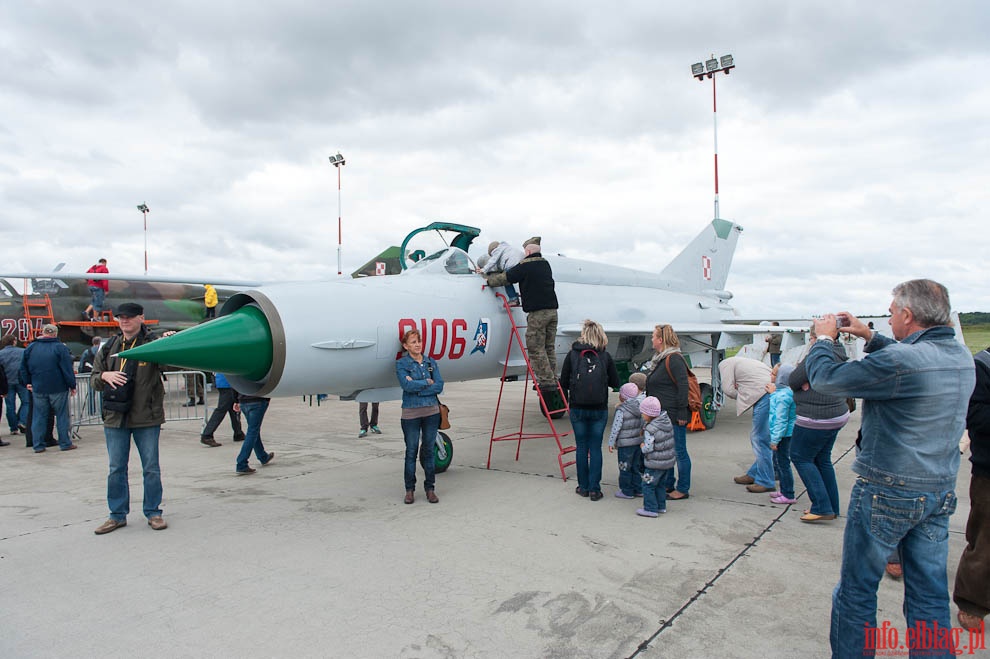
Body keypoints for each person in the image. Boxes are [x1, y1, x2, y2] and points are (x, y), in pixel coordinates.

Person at [802, 279, 975, 657]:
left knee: (856, 591)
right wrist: (869, 335)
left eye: (893, 311)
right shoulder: (961, 356)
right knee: (929, 596)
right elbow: (912, 360)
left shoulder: (900, 362)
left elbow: (826, 380)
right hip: (938, 491)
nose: (890, 316)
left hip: (887, 489)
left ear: (908, 315)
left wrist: (825, 340)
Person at [90, 302, 174, 534]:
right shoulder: (109, 347)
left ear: (141, 317)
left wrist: (171, 343)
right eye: (120, 317)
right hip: (116, 417)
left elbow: (172, 364)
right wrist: (105, 375)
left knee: (151, 468)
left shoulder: (153, 344)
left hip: (146, 417)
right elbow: (94, 379)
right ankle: (116, 515)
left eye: (129, 317)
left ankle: (153, 512)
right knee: (116, 468)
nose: (124, 321)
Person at [788, 326, 850, 522]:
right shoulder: (839, 351)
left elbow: (794, 379)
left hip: (815, 417)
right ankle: (831, 506)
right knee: (822, 459)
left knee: (800, 457)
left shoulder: (819, 353)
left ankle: (822, 506)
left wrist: (804, 380)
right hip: (836, 414)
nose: (811, 341)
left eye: (812, 337)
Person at [484, 237, 558, 392]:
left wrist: (489, 280)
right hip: (552, 312)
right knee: (549, 347)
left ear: (528, 251)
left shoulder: (525, 266)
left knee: (536, 348)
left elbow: (506, 277)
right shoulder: (545, 264)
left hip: (538, 314)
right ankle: (553, 378)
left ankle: (546, 383)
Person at [559, 319, 620, 501]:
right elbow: (616, 383)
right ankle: (595, 489)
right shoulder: (605, 356)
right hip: (599, 408)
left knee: (581, 447)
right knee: (595, 448)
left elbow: (562, 382)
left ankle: (583, 487)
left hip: (577, 407)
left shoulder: (572, 355)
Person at [954, 346, 990, 631]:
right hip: (989, 471)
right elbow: (974, 415)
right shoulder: (982, 365)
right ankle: (971, 603)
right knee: (985, 539)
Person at [641, 324, 691, 501]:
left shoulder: (674, 358)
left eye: (653, 336)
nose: (652, 340)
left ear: (661, 340)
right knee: (667, 451)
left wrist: (682, 412)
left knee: (679, 452)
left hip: (673, 415)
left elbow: (683, 385)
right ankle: (669, 483)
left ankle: (683, 488)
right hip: (663, 416)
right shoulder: (661, 358)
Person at [396, 328, 444, 504]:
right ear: (405, 345)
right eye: (413, 342)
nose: (417, 345)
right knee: (411, 452)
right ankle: (410, 490)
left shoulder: (431, 362)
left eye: (419, 341)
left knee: (429, 452)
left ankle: (430, 489)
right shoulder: (402, 364)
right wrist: (426, 383)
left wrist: (417, 386)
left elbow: (439, 385)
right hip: (411, 413)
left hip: (431, 412)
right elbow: (406, 386)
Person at [718, 356, 775, 493]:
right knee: (767, 437)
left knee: (759, 438)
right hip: (770, 389)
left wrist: (742, 393)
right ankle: (755, 473)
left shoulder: (724, 365)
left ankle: (766, 480)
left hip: (763, 394)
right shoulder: (741, 361)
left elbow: (727, 389)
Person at [19, 324, 77, 452]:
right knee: (62, 416)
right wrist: (72, 385)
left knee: (39, 416)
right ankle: (65, 443)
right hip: (58, 387)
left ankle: (38, 445)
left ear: (42, 332)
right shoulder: (60, 348)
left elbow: (23, 367)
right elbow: (67, 369)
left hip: (38, 387)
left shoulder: (31, 347)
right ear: (55, 334)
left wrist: (27, 382)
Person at [638, 396, 674, 518]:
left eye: (643, 413)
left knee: (647, 484)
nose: (642, 415)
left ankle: (650, 508)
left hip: (654, 462)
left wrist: (642, 447)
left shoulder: (650, 429)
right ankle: (661, 506)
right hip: (666, 462)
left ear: (649, 414)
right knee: (660, 484)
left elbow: (649, 447)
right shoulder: (666, 422)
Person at [609, 382, 645, 499]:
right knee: (635, 466)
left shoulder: (621, 410)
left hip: (625, 445)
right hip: (637, 442)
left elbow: (616, 427)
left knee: (624, 467)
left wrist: (611, 442)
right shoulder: (640, 407)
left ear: (622, 396)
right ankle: (638, 488)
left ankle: (626, 490)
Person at [767, 363, 797, 505]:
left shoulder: (782, 396)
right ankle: (784, 490)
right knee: (781, 463)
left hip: (784, 436)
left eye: (774, 374)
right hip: (786, 434)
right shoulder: (787, 392)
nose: (771, 376)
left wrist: (774, 440)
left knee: (783, 464)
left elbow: (780, 419)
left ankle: (788, 494)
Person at [232, 392, 274, 474]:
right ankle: (241, 463)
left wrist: (236, 400)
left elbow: (234, 384)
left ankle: (262, 456)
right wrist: (267, 398)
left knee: (253, 429)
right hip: (258, 399)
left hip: (243, 400)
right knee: (252, 431)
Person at [200, 372, 244, 447]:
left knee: (233, 409)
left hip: (224, 382)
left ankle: (238, 433)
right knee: (222, 409)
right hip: (228, 383)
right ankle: (207, 435)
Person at [478, 240, 523, 304]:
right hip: (522, 264)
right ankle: (519, 295)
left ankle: (513, 299)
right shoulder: (508, 248)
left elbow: (493, 261)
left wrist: (483, 270)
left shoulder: (497, 250)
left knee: (506, 280)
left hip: (512, 264)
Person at [1, 334, 29, 435]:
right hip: (21, 381)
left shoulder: (1, 354)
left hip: (7, 382)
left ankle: (13, 428)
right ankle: (22, 421)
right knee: (26, 402)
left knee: (10, 406)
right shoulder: (22, 352)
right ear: (14, 341)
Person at [77, 336, 102, 416]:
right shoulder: (102, 351)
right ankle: (102, 411)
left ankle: (91, 411)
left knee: (91, 393)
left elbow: (82, 363)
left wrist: (80, 372)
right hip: (101, 374)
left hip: (89, 374)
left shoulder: (87, 351)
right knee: (101, 393)